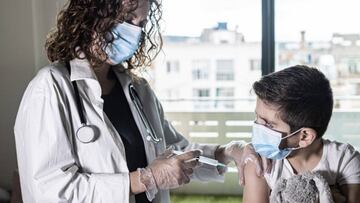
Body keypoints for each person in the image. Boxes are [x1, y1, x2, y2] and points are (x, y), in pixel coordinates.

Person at [13, 0, 269, 202]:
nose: (134, 31)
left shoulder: (137, 89)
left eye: (141, 22)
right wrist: (145, 179)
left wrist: (227, 152)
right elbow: (49, 192)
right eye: (126, 18)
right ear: (90, 15)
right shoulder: (50, 87)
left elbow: (175, 152)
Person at [242, 65, 360, 203]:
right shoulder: (259, 163)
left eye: (269, 124)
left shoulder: (345, 160)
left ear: (304, 136)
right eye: (257, 117)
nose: (258, 127)